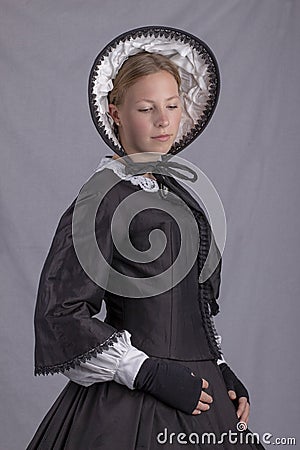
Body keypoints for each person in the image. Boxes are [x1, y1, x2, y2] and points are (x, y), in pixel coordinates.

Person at [27, 26, 264, 449]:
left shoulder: (180, 194)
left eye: (172, 105)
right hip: (131, 406)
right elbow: (61, 316)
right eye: (147, 107)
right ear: (116, 112)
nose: (163, 120)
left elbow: (190, 306)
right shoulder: (101, 197)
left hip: (204, 398)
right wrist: (148, 372)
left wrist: (220, 367)